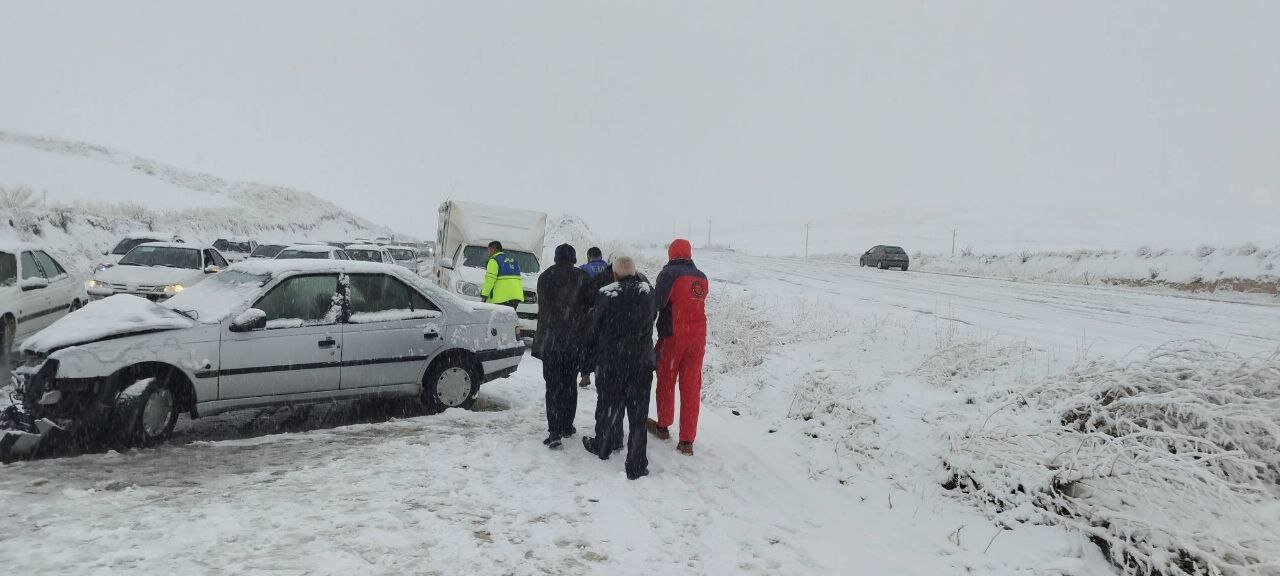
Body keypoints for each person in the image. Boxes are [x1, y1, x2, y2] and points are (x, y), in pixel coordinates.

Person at [582, 256, 657, 480]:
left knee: (608, 406)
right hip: (641, 363)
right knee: (638, 415)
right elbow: (652, 317)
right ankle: (635, 464)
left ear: (614, 274)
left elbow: (593, 329)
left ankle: (604, 445)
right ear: (635, 272)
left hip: (612, 363)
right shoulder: (648, 292)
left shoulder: (607, 294)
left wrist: (589, 358)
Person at [648, 239, 708, 456]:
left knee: (666, 381)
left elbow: (659, 302)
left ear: (671, 253)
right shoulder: (701, 277)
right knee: (691, 388)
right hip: (698, 339)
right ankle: (687, 441)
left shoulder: (668, 274)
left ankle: (663, 426)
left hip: (673, 336)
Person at [531, 244, 591, 448]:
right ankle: (567, 425)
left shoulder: (544, 277)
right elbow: (590, 304)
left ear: (556, 258)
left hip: (549, 341)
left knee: (552, 387)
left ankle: (554, 431)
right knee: (569, 384)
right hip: (573, 342)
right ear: (573, 258)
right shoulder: (581, 277)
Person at [481, 241, 524, 308]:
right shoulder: (513, 261)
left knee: (497, 318)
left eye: (489, 250)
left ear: (493, 250)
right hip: (515, 298)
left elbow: (489, 280)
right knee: (508, 318)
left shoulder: (494, 261)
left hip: (501, 298)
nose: (488, 253)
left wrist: (484, 295)